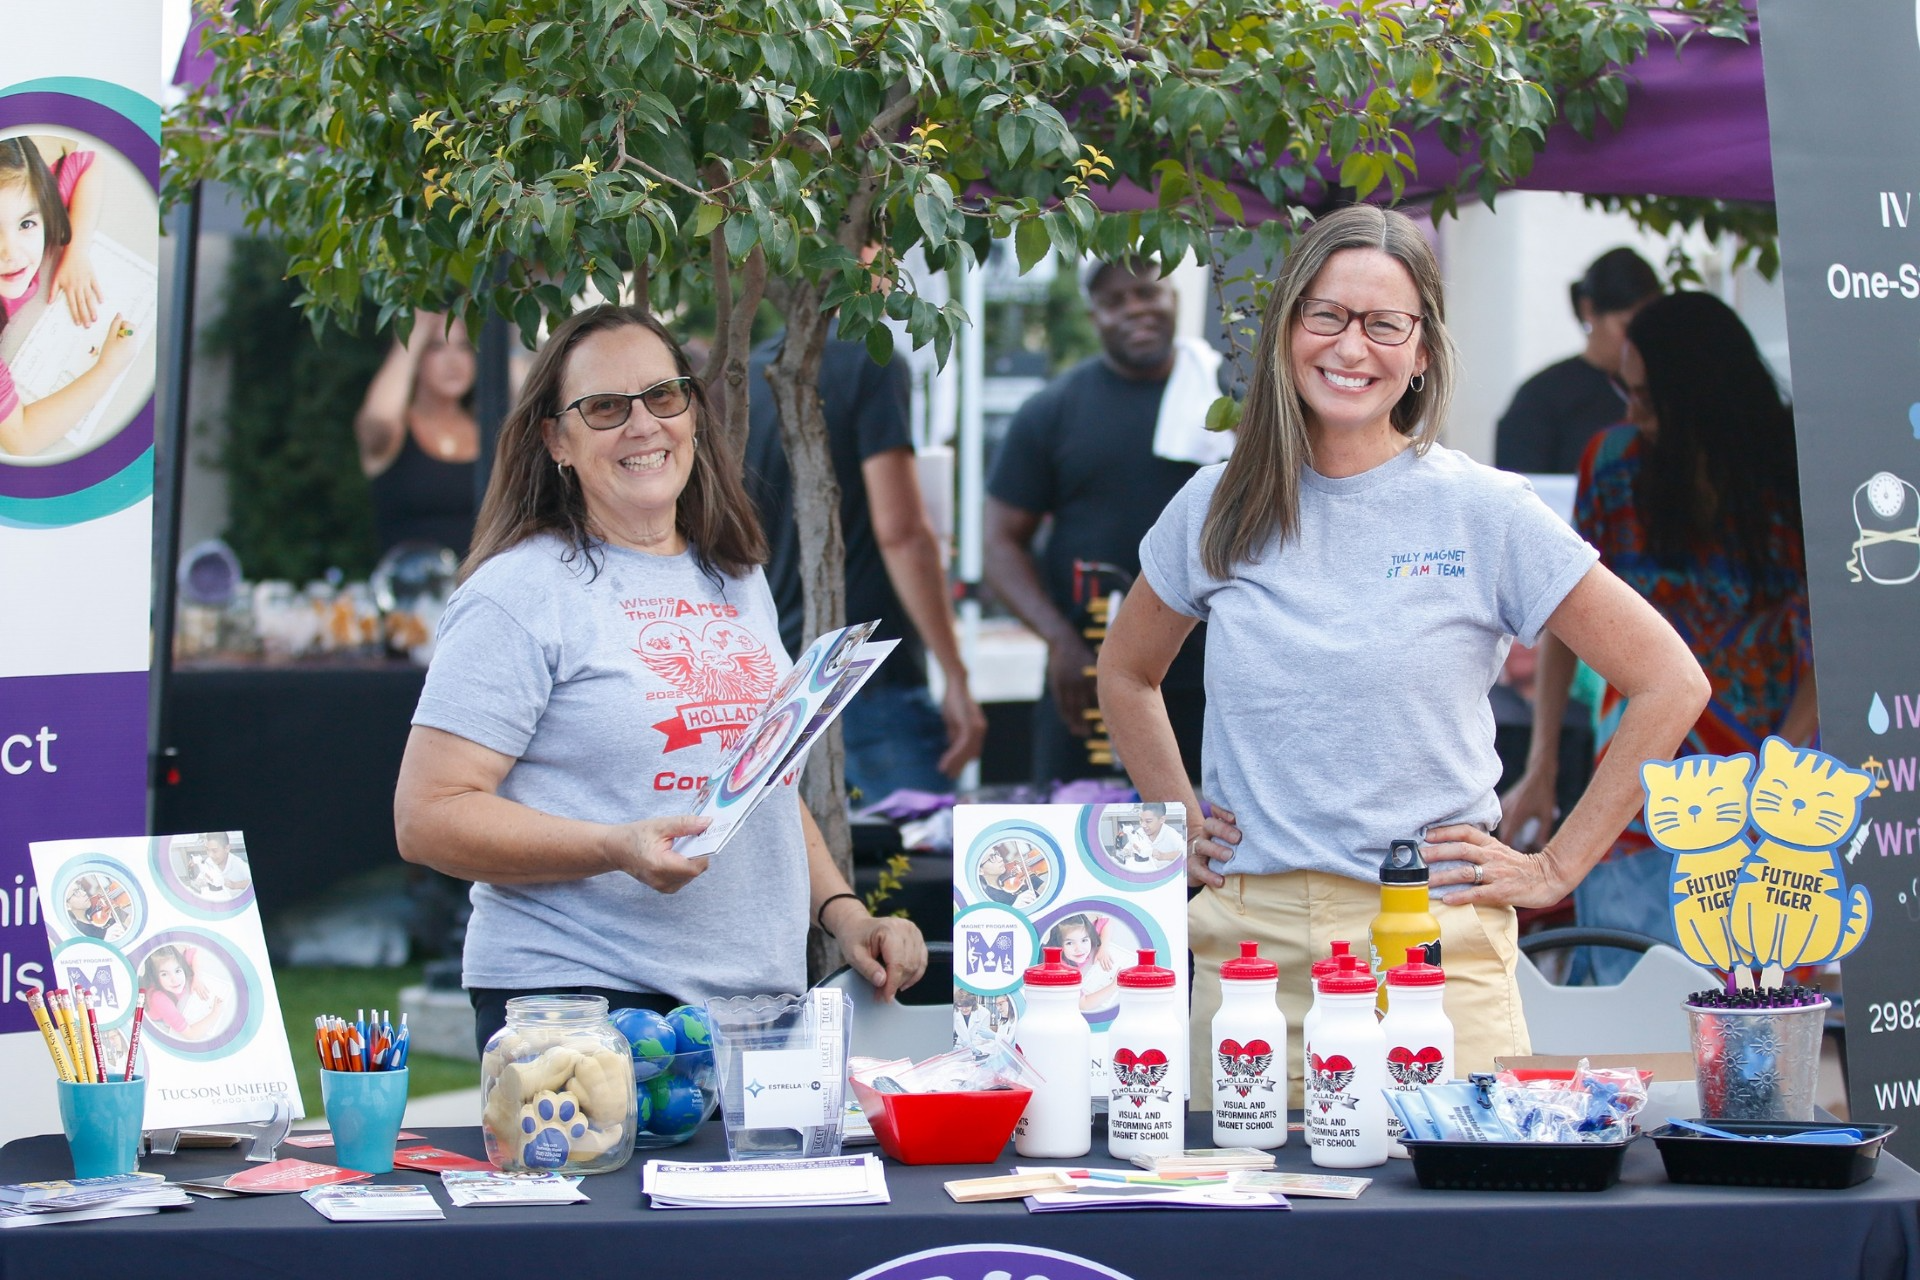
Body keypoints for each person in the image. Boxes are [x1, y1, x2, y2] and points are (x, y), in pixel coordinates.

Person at [1097, 205, 1709, 1108]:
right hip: (1252, 961)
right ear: (1287, 329)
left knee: (1454, 1243)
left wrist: (1555, 868)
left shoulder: (1484, 510)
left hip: (1431, 955)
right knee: (1248, 1244)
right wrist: (1176, 817)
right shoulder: (1215, 504)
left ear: (1421, 352)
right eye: (1328, 316)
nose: (1353, 347)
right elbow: (1127, 671)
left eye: (1386, 324)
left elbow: (1670, 682)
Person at [392, 305, 926, 1054]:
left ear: (693, 415)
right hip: (581, 1006)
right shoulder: (517, 593)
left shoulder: (735, 577)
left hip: (751, 1012)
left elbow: (757, 786)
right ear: (556, 440)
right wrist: (613, 846)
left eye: (664, 396)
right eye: (606, 407)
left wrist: (845, 915)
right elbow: (427, 817)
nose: (643, 425)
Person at [1500, 292, 1812, 983]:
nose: (1631, 411)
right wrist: (1544, 760)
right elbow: (1566, 617)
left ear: (1702, 394)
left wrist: (1782, 774)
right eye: (1624, 390)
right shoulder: (1612, 463)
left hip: (1768, 765)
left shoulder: (1792, 468)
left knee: (1754, 998)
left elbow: (1828, 635)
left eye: (1646, 396)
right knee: (1628, 978)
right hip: (1641, 765)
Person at [985, 260, 1213, 786]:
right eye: (1115, 301)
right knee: (1085, 846)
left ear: (1173, 298)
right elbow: (998, 544)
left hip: (1211, 684)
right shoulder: (1053, 410)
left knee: (1209, 856)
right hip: (1089, 682)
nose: (1135, 308)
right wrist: (1059, 640)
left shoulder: (1224, 404)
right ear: (1094, 316)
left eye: (1146, 292)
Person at [743, 323, 985, 799]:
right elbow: (902, 533)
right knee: (919, 860)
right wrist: (955, 674)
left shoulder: (747, 372)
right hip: (866, 671)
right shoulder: (869, 359)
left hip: (780, 675)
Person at [0, 137, 141, 459]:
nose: (12, 253)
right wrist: (108, 367)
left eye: (25, 224)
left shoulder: (23, 194)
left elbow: (88, 159)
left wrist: (76, 250)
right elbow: (21, 438)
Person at [1494, 248, 1661, 474]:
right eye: (1627, 326)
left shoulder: (1667, 390)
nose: (1638, 341)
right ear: (1588, 310)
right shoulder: (1541, 398)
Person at [355, 310, 481, 557]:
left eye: (463, 347)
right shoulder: (395, 433)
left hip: (483, 591)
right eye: (436, 347)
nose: (453, 361)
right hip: (412, 590)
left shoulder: (490, 428)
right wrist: (410, 340)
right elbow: (378, 420)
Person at [142, 944, 226, 1041]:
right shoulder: (159, 999)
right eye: (164, 974)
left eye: (177, 970)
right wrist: (215, 1013)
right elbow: (192, 1035)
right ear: (155, 978)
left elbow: (194, 952)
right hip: (155, 1018)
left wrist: (197, 978)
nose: (175, 979)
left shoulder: (174, 962)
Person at [1045, 912, 1119, 1013]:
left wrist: (1103, 948)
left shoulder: (1082, 931)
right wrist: (1115, 985)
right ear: (1058, 946)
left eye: (1084, 940)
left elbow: (1107, 922)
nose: (1079, 948)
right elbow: (1083, 1004)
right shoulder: (1061, 970)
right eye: (1069, 943)